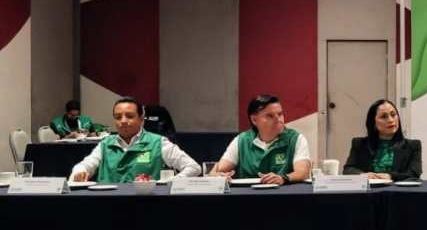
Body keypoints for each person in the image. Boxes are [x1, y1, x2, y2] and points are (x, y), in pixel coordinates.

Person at [69, 97, 199, 182]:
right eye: (118, 117)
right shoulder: (105, 144)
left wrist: (169, 183)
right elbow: (85, 165)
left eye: (129, 116)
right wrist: (80, 171)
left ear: (141, 119)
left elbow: (193, 167)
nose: (123, 121)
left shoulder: (159, 142)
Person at [212, 94, 313, 184]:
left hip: (284, 195)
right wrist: (219, 176)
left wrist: (283, 178)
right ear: (254, 120)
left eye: (280, 114)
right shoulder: (241, 140)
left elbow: (303, 172)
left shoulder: (296, 139)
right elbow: (215, 171)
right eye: (270, 116)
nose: (278, 119)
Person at [344, 99, 422, 182]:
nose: (391, 120)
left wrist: (391, 176)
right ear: (373, 123)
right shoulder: (359, 143)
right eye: (384, 116)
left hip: (397, 189)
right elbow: (348, 170)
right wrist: (363, 175)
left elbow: (414, 173)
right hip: (369, 189)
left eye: (393, 115)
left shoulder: (413, 145)